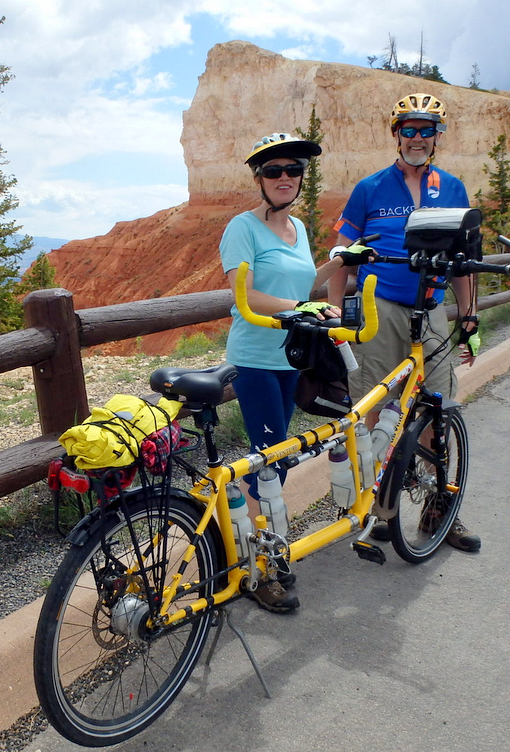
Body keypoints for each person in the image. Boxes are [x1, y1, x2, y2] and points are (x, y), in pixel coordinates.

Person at [220, 133, 375, 612]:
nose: (284, 178)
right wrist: (301, 306)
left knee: (276, 457)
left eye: (291, 171)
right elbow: (247, 299)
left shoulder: (298, 228)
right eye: (273, 172)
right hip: (256, 358)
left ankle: (244, 542)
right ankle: (254, 568)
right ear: (258, 179)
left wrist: (338, 264)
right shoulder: (241, 228)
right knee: (269, 458)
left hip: (292, 355)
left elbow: (302, 283)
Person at [327, 92, 482, 554]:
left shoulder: (452, 188)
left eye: (426, 130)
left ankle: (441, 508)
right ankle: (380, 511)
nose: (417, 138)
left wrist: (470, 314)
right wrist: (338, 313)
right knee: (376, 408)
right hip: (380, 308)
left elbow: (464, 262)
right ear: (396, 134)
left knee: (436, 407)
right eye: (409, 129)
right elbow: (341, 253)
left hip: (431, 310)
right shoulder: (370, 188)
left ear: (437, 137)